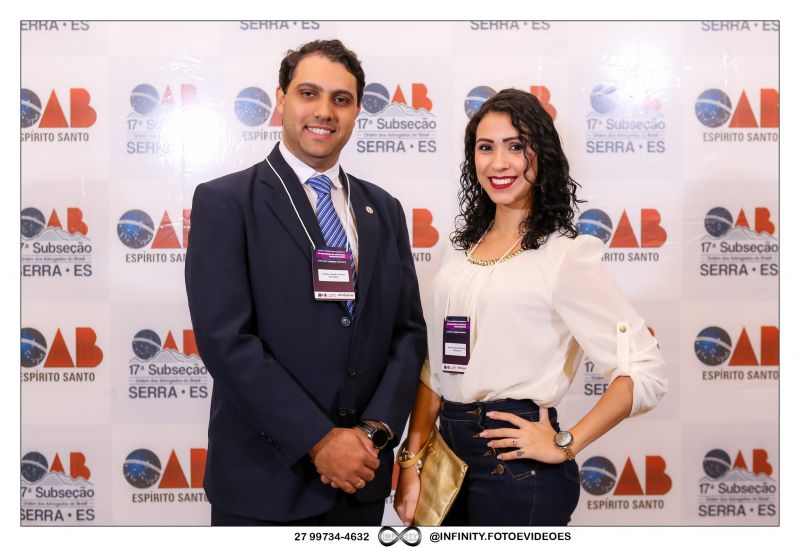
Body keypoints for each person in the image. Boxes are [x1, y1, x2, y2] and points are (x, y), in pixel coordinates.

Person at [393, 89, 667, 526]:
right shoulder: (459, 250)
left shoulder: (565, 256)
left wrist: (565, 443)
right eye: (486, 147)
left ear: (543, 156)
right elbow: (436, 367)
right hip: (447, 459)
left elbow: (644, 371)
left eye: (515, 146)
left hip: (517, 471)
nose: (498, 163)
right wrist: (412, 456)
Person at [185, 39, 427, 526]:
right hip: (264, 486)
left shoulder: (384, 209)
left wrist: (374, 432)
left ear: (357, 110)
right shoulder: (226, 202)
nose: (324, 112)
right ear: (281, 100)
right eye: (308, 93)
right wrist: (319, 441)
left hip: (360, 482)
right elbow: (226, 341)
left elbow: (407, 334)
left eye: (341, 99)